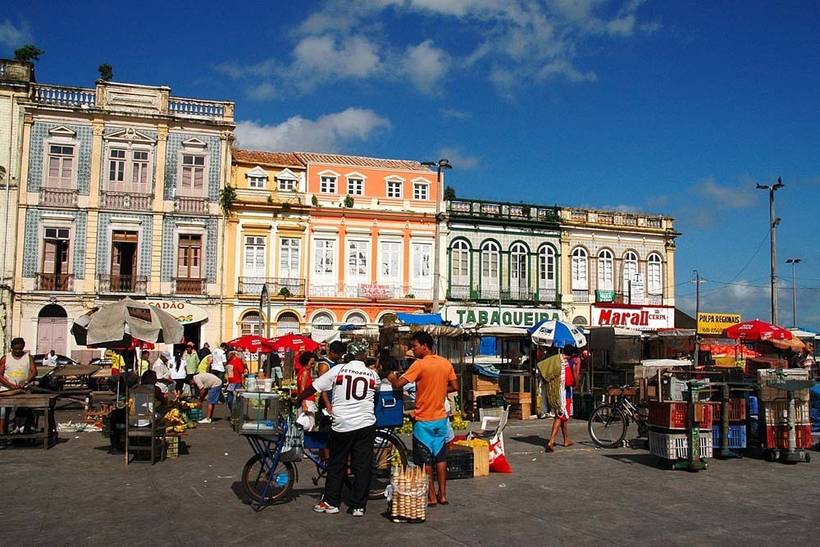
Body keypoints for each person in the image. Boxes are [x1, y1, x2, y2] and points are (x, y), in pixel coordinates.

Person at [296, 344, 380, 517]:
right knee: (362, 465)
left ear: (348, 357)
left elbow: (315, 387)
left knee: (337, 463)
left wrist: (298, 398)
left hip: (343, 424)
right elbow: (375, 394)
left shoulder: (339, 370)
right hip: (366, 424)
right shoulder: (373, 375)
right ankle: (358, 506)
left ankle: (331, 502)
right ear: (364, 359)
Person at [387, 331, 458, 507]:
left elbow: (398, 385)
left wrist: (391, 376)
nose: (413, 349)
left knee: (425, 461)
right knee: (440, 459)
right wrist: (439, 390)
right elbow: (454, 386)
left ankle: (431, 497)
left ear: (424, 346)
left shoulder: (419, 365)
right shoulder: (445, 363)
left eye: (415, 346)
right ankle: (443, 495)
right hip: (441, 419)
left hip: (423, 420)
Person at [0, 338, 38, 434]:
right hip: (7, 389)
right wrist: (10, 385)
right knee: (3, 412)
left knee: (26, 409)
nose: (17, 351)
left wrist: (26, 380)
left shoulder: (28, 357)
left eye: (20, 349)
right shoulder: (5, 358)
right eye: (15, 349)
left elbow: (34, 372)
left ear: (23, 348)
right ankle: (2, 433)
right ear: (12, 348)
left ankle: (24, 430)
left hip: (23, 389)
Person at [537, 349, 571, 452]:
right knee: (560, 415)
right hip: (563, 393)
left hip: (555, 392)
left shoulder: (555, 361)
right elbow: (569, 381)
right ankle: (551, 441)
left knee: (563, 417)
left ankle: (566, 439)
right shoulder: (566, 362)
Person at [295, 351, 318, 431]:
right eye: (311, 363)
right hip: (307, 400)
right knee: (310, 425)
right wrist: (304, 404)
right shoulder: (305, 372)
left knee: (305, 425)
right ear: (306, 362)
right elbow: (303, 389)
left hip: (305, 401)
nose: (313, 365)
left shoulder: (302, 371)